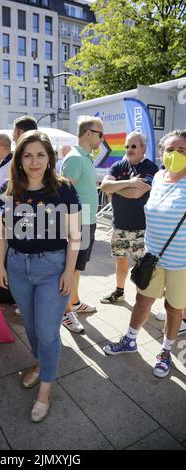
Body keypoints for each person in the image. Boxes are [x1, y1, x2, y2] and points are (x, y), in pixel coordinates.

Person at [0, 130, 81, 422]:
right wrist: (0, 265)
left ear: (49, 158)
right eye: (28, 155)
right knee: (31, 328)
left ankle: (45, 388)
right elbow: (2, 233)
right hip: (18, 267)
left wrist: (69, 272)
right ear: (19, 159)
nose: (34, 161)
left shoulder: (64, 189)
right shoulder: (9, 189)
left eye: (40, 155)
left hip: (52, 268)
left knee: (47, 331)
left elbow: (75, 234)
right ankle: (41, 363)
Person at [103, 129, 186, 378]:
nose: (175, 155)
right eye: (170, 150)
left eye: (182, 151)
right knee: (142, 300)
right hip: (152, 257)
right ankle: (130, 340)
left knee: (173, 308)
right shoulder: (159, 177)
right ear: (162, 152)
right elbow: (110, 187)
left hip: (180, 262)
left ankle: (166, 351)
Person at [100, 132, 158, 304]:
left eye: (134, 146)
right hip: (119, 226)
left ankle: (143, 298)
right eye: (127, 146)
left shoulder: (150, 168)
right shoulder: (118, 165)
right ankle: (119, 292)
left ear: (143, 148)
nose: (129, 149)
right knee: (120, 259)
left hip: (142, 229)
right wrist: (129, 182)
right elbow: (104, 185)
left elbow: (135, 194)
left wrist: (115, 187)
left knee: (143, 266)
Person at [60, 115, 103, 333]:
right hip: (79, 224)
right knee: (73, 269)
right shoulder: (76, 158)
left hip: (88, 221)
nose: (101, 139)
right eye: (100, 134)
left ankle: (74, 302)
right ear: (88, 133)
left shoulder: (85, 157)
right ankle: (66, 312)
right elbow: (64, 194)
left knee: (78, 268)